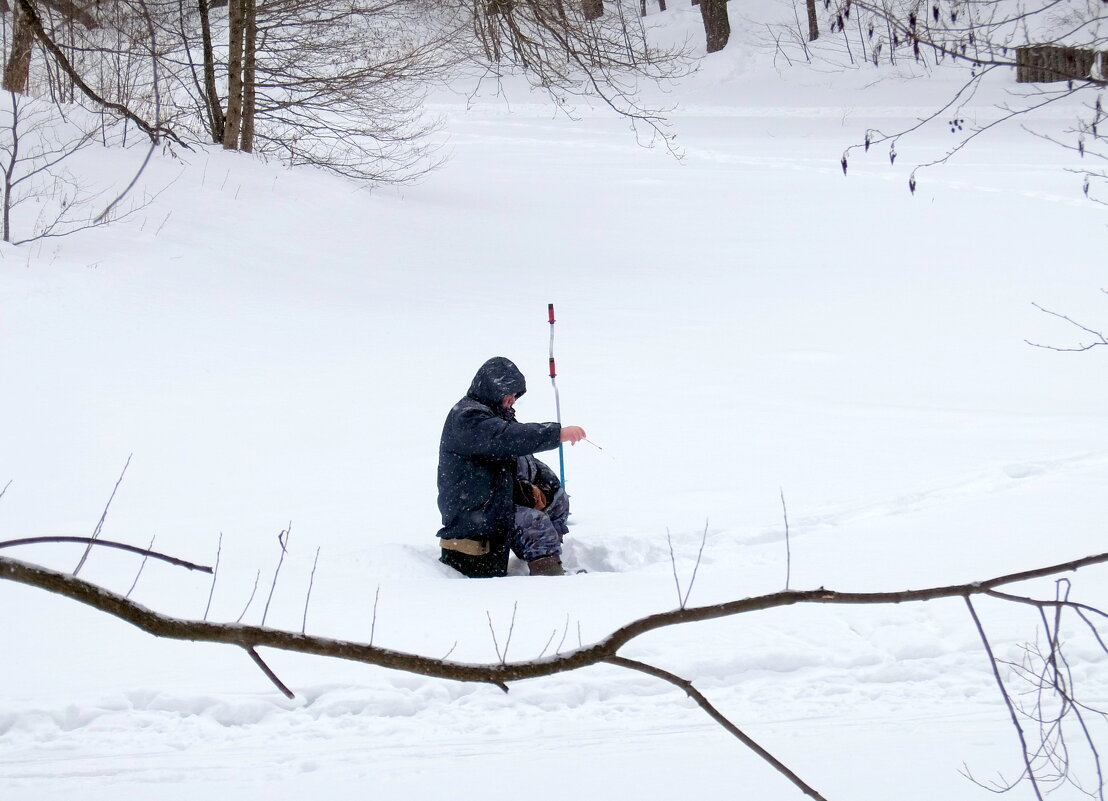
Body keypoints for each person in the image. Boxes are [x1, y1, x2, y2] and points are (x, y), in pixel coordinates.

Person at [437, 356, 586, 578]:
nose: (513, 399)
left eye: (516, 394)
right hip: (474, 513)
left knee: (557, 501)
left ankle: (548, 557)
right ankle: (552, 580)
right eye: (510, 393)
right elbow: (507, 438)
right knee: (535, 524)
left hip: (497, 502)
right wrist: (557, 434)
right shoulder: (467, 417)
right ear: (493, 389)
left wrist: (545, 486)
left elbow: (522, 457)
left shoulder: (494, 414)